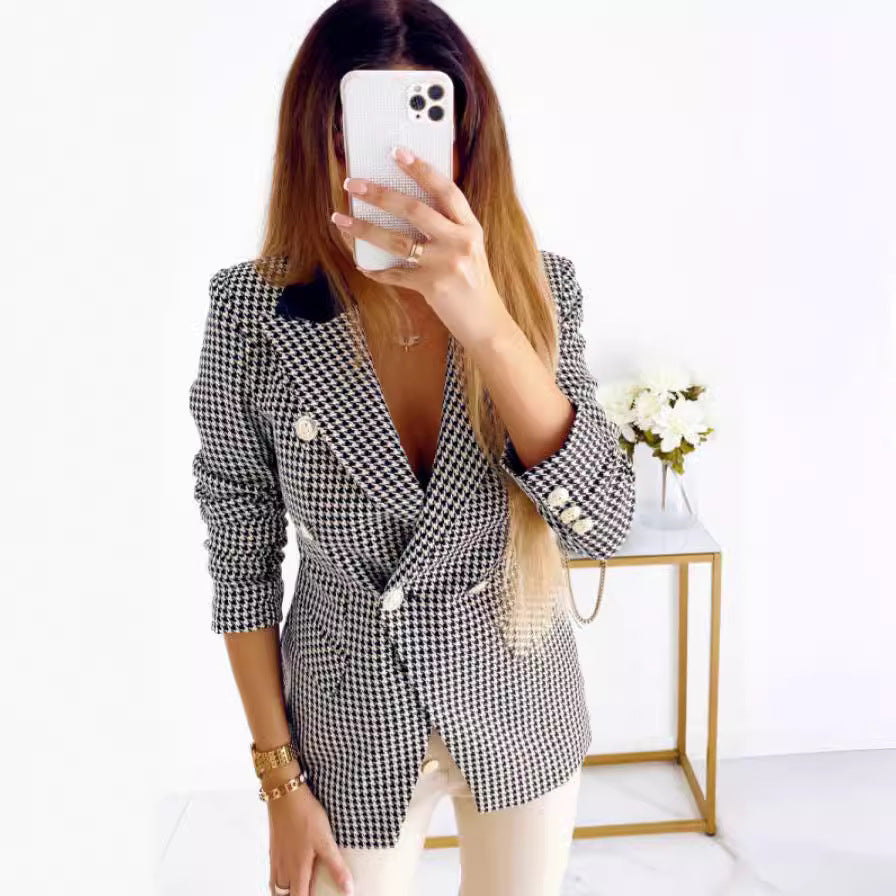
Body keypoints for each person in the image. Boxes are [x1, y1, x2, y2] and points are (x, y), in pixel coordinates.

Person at [188, 2, 636, 894]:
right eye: (359, 131)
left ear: (468, 140)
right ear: (317, 141)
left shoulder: (538, 292)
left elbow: (604, 526)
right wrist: (278, 782)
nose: (393, 166)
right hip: (345, 729)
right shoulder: (250, 314)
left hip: (519, 704)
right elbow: (241, 559)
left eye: (426, 131)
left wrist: (487, 324)